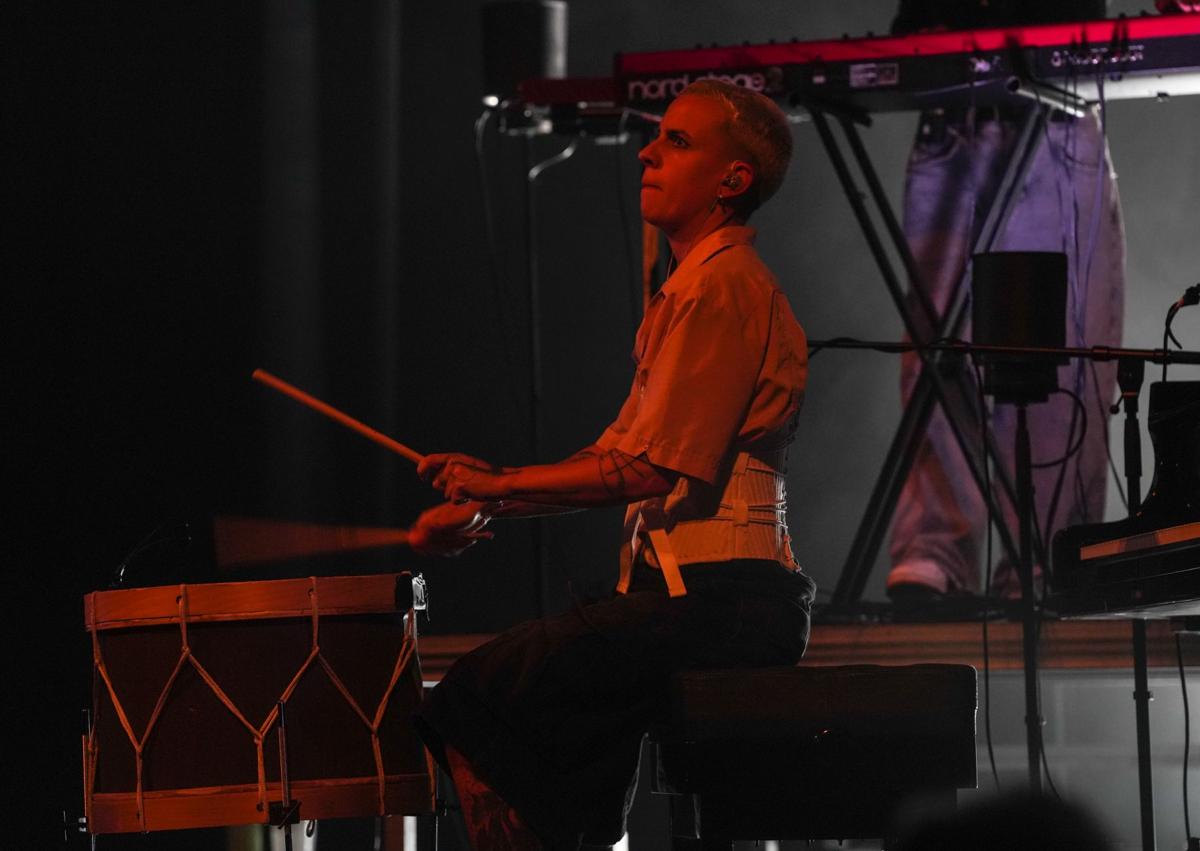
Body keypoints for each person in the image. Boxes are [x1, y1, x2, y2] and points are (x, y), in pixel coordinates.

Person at [406, 79, 816, 850]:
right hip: (689, 599)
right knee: (552, 739)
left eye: (678, 142)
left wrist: (499, 486)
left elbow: (653, 471)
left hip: (728, 604)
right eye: (656, 137)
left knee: (478, 691)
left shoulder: (724, 287)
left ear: (732, 181)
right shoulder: (690, 289)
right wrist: (491, 499)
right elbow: (618, 455)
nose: (648, 152)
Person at [886, 0, 1127, 603]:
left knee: (1062, 350)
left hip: (1059, 95)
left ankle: (1046, 558)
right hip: (955, 91)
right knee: (936, 353)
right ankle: (934, 552)